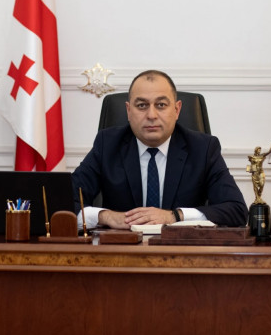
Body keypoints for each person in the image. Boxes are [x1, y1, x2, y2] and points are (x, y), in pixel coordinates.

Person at [72, 70, 248, 228]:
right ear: (128, 111)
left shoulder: (203, 149)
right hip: (124, 249)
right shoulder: (108, 145)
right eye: (142, 105)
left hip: (182, 250)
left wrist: (175, 216)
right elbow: (63, 203)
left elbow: (236, 210)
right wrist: (106, 216)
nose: (151, 115)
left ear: (177, 109)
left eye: (161, 105)